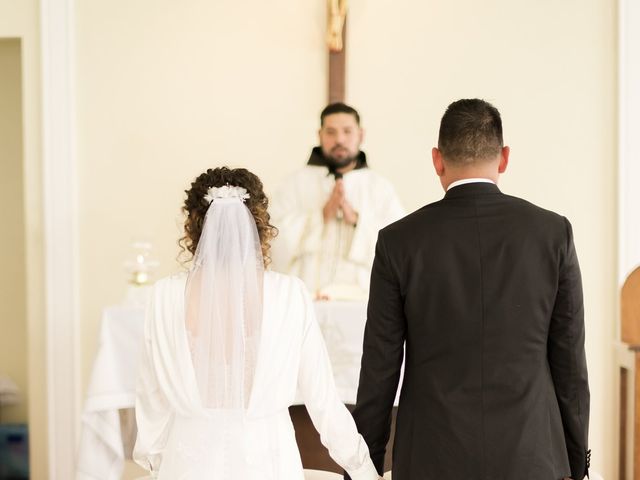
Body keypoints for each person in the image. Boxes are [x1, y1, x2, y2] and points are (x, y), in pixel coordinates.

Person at [348, 99, 590, 480]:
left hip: (431, 457)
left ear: (437, 160)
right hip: (531, 455)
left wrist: (365, 466)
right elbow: (570, 365)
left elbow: (379, 369)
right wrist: (577, 463)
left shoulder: (399, 241)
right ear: (504, 158)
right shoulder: (551, 233)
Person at [133, 167, 380, 480]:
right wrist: (361, 468)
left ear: (193, 224)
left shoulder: (163, 296)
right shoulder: (289, 294)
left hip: (187, 464)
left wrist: (154, 463)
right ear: (260, 222)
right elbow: (323, 400)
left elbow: (151, 397)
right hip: (268, 463)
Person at [270, 103, 404, 300]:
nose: (339, 139)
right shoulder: (294, 183)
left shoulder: (380, 187)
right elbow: (271, 237)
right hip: (306, 296)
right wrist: (320, 217)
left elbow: (400, 245)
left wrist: (357, 220)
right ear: (320, 135)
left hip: (361, 299)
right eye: (331, 132)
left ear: (361, 135)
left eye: (347, 131)